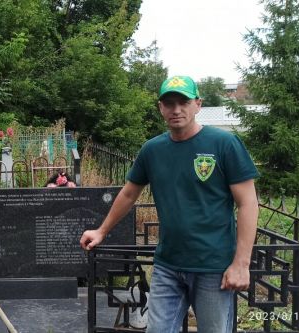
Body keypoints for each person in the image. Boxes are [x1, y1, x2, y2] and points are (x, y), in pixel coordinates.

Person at [79, 75, 259, 333]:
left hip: (213, 267)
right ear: (160, 108)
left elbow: (248, 203)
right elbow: (129, 194)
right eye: (169, 103)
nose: (176, 110)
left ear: (198, 104)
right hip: (168, 265)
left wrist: (241, 264)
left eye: (183, 102)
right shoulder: (152, 150)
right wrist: (101, 231)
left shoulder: (223, 144)